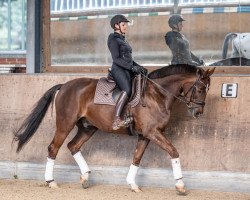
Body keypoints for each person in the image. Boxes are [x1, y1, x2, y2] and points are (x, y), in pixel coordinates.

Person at [107, 14, 147, 130]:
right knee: (128, 89)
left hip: (127, 68)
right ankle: (116, 119)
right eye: (123, 24)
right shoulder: (113, 38)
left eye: (126, 25)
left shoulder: (123, 39)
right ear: (116, 25)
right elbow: (116, 59)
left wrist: (139, 67)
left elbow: (128, 59)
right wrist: (132, 67)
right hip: (118, 69)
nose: (126, 27)